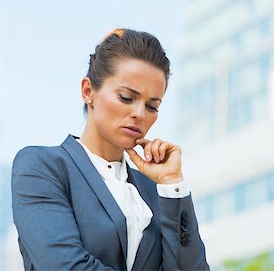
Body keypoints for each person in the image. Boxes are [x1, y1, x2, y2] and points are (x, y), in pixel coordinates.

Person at [11, 28, 209, 271]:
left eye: (152, 106)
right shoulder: (41, 167)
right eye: (126, 97)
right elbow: (65, 267)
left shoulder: (153, 191)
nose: (139, 113)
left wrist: (172, 184)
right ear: (88, 91)